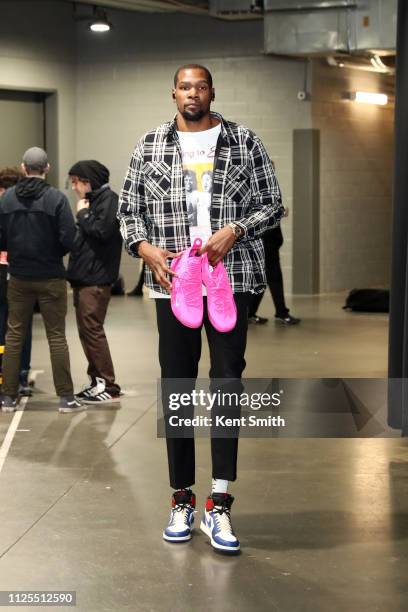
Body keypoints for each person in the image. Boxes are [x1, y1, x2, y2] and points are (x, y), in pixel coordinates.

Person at [118, 64, 284, 553]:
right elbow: (129, 211)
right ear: (174, 92)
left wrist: (235, 230)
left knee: (227, 383)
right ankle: (182, 498)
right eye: (185, 86)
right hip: (175, 284)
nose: (193, 93)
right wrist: (145, 249)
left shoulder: (244, 141)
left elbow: (273, 202)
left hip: (234, 281)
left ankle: (220, 504)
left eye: (202, 85)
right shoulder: (149, 144)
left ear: (213, 91)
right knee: (177, 386)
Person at [0, 147, 82, 413]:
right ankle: (66, 398)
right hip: (51, 277)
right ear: (46, 169)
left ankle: (8, 398)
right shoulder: (56, 199)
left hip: (19, 277)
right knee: (57, 336)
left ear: (24, 169)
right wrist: (51, 255)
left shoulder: (7, 199)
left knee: (14, 335)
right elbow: (69, 239)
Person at [67, 160, 122, 404]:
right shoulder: (95, 201)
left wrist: (82, 214)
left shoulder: (108, 200)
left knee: (93, 331)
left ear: (89, 181)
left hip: (96, 280)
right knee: (87, 332)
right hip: (85, 278)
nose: (74, 187)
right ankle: (97, 381)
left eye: (76, 181)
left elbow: (102, 231)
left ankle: (108, 385)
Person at [0, 166, 33, 396]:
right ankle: (20, 374)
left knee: (8, 327)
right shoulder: (25, 210)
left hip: (12, 275)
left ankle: (11, 375)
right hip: (24, 274)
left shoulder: (6, 208)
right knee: (22, 327)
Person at [248, 208, 301, 325]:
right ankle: (281, 312)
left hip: (270, 242)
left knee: (267, 278)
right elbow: (262, 212)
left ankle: (250, 313)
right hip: (266, 243)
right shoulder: (262, 194)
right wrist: (278, 212)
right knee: (274, 278)